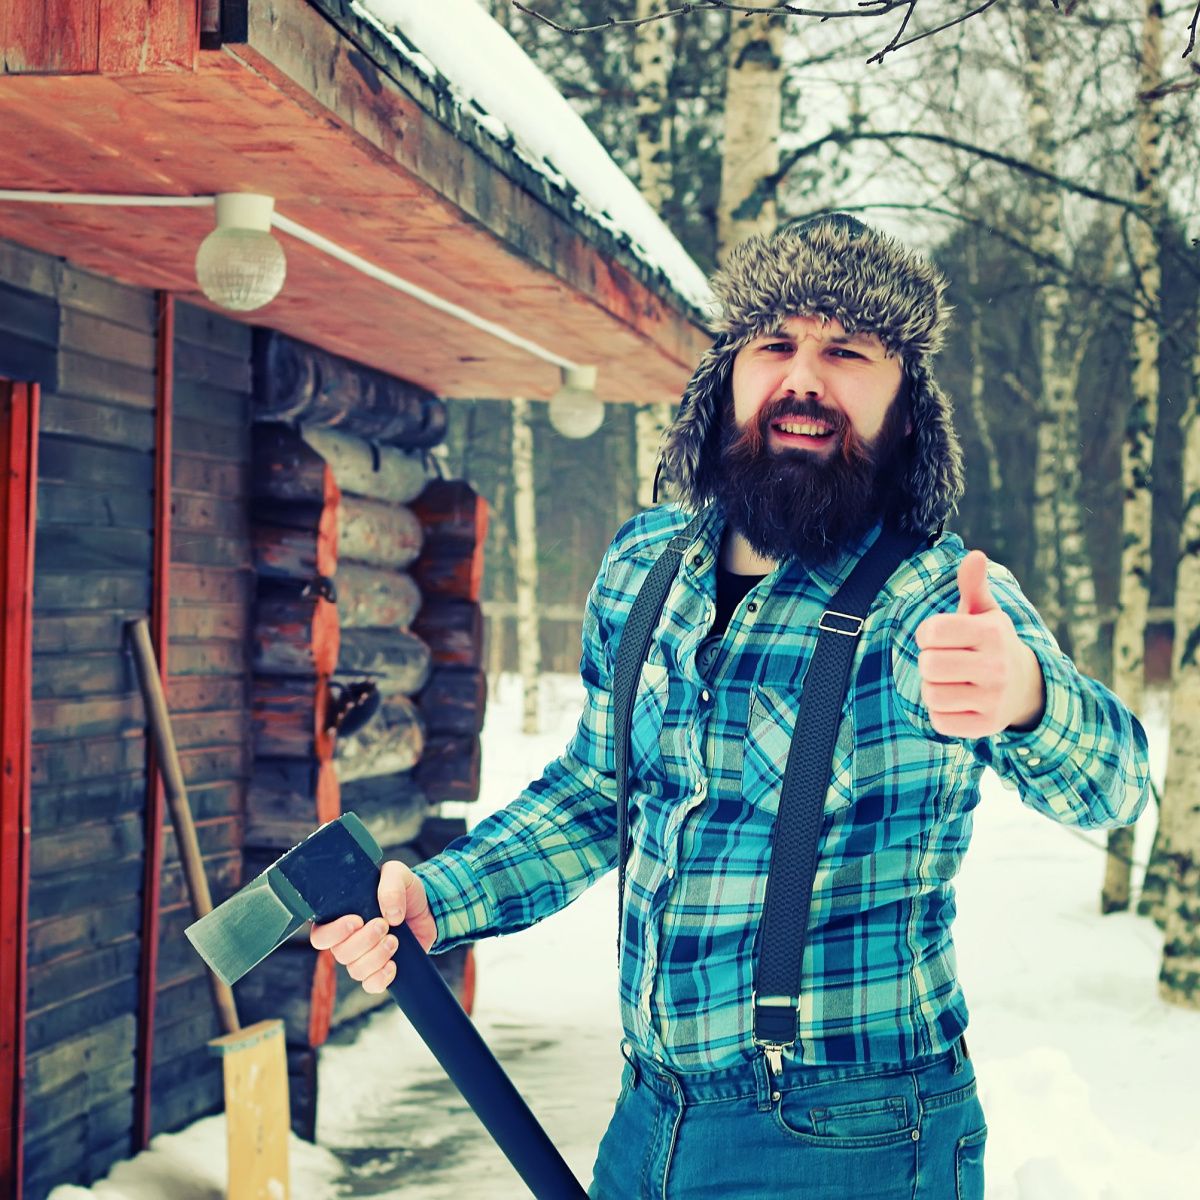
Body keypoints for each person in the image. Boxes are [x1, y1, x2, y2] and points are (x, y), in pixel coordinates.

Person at [310, 214, 1150, 1199]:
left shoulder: (930, 601)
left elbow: (1121, 785)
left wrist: (1026, 696)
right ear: (729, 380)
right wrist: (438, 896)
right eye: (776, 344)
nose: (805, 377)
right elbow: (595, 796)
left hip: (851, 1141)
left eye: (848, 352)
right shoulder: (645, 567)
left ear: (908, 410)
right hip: (648, 1119)